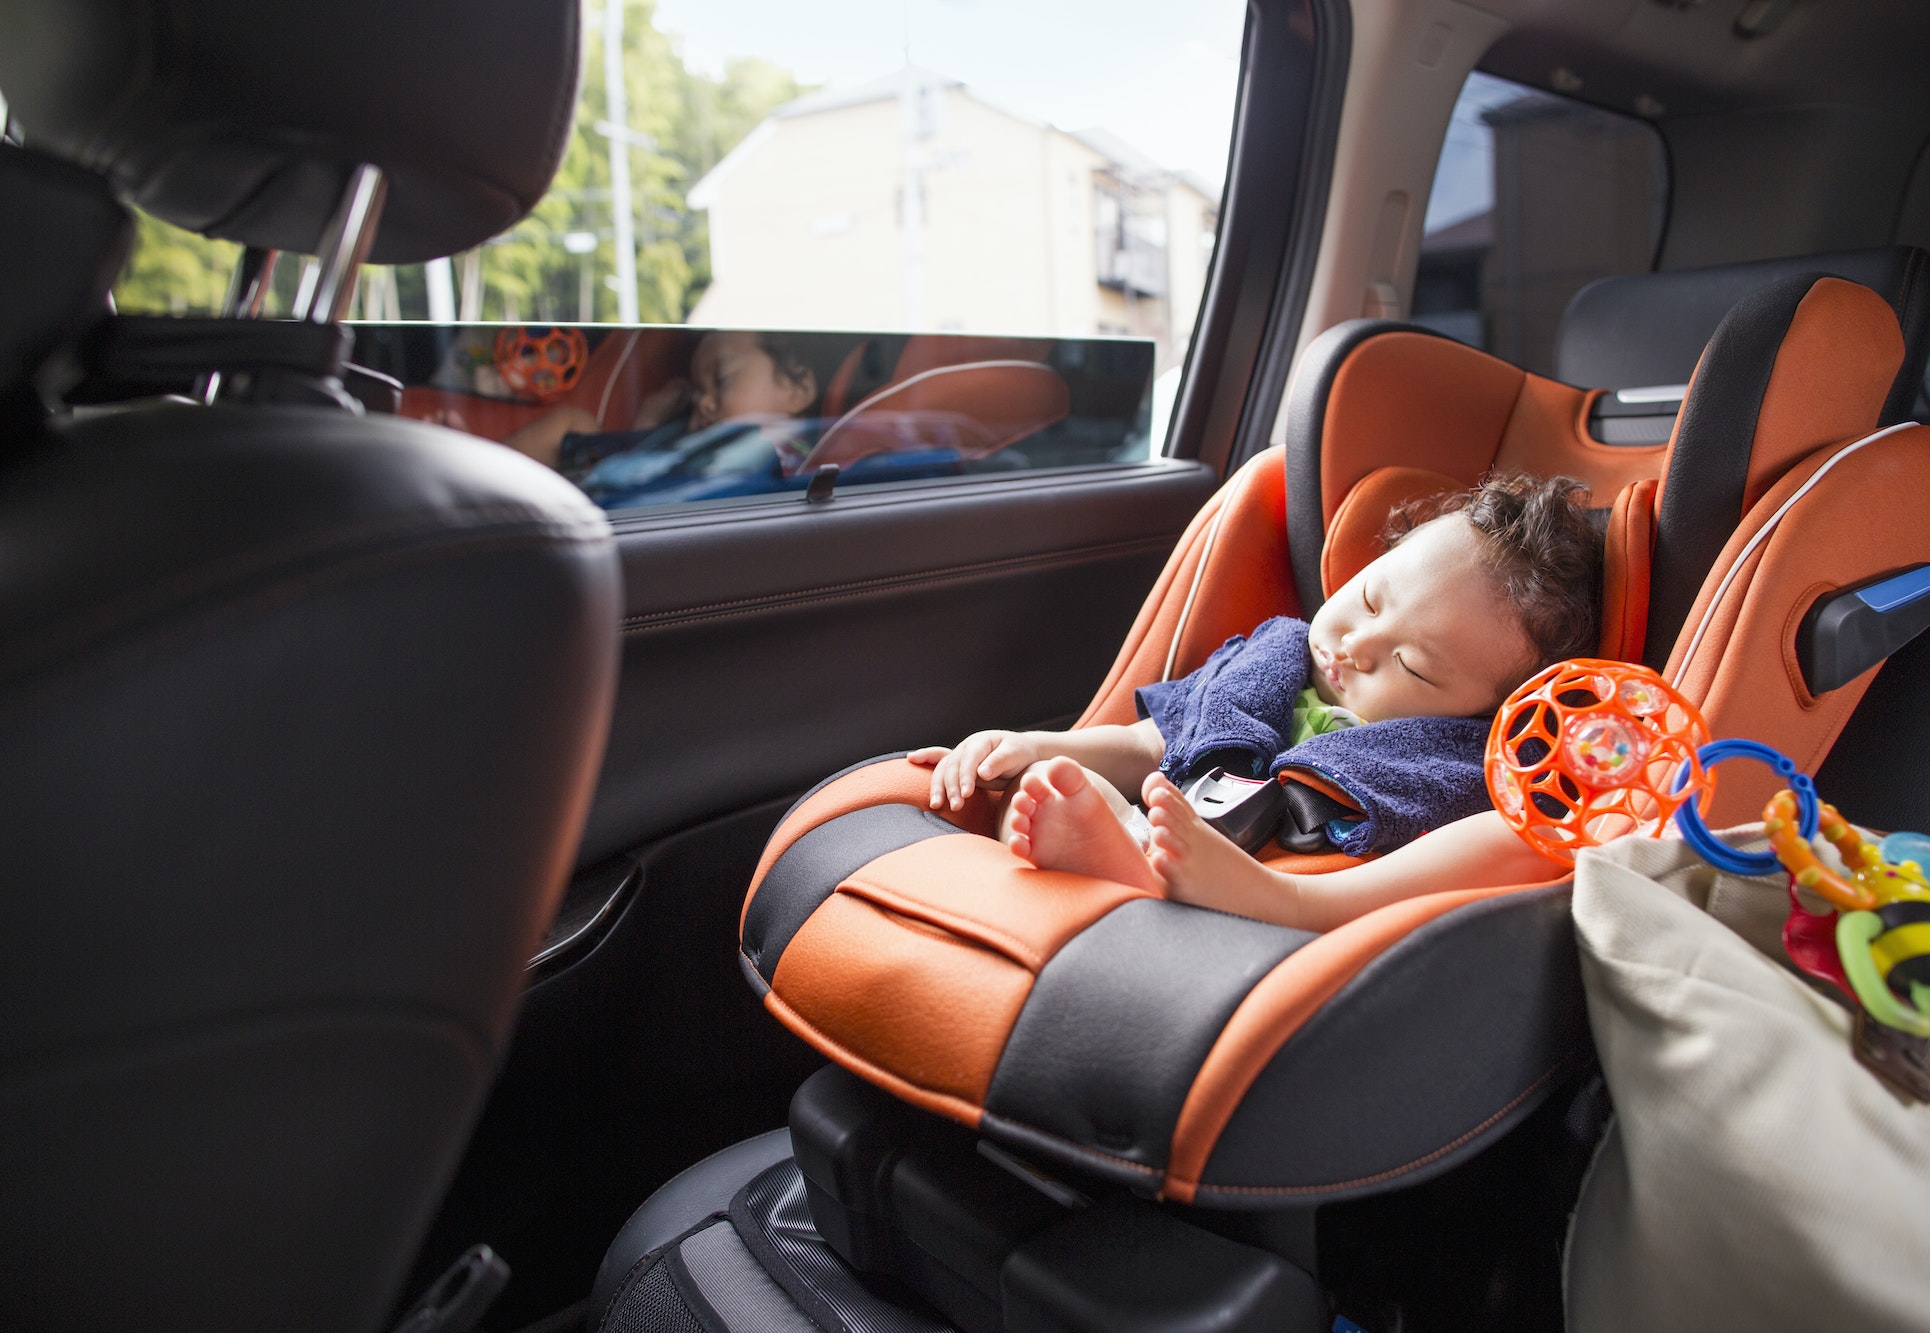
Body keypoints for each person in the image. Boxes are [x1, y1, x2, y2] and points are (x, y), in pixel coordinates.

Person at [906, 472, 1603, 932]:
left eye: (1415, 666)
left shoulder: (1444, 756)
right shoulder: (1270, 663)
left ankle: (1231, 888)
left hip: (1295, 895)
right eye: (1367, 598)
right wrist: (1036, 744)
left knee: (1514, 835)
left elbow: (1510, 846)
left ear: (1485, 711)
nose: (1358, 644)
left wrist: (1283, 895)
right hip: (1171, 825)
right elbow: (1156, 742)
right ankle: (1124, 848)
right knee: (1047, 782)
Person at [500, 329, 822, 489]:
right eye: (697, 394)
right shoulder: (728, 444)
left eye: (722, 380)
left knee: (573, 422)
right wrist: (650, 423)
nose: (703, 402)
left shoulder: (786, 455)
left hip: (612, 493)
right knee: (573, 421)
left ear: (798, 389)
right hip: (617, 477)